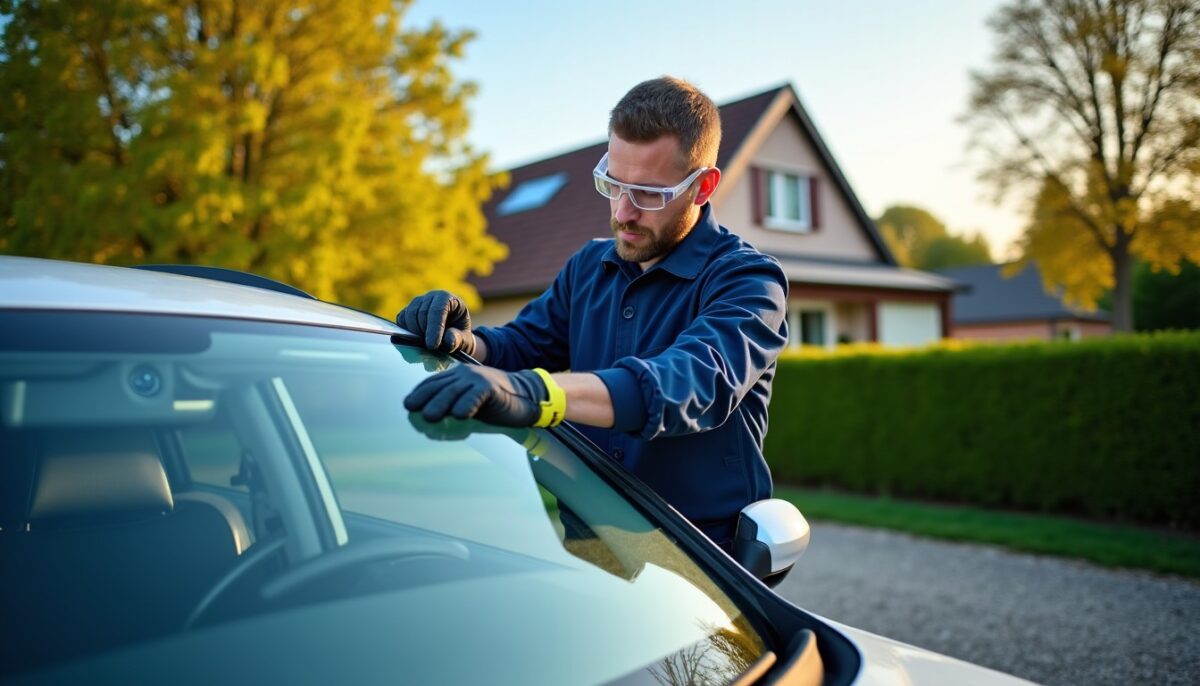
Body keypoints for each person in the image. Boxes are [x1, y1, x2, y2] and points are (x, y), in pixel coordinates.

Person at [398, 76, 788, 552]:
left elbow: (686, 384)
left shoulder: (749, 282)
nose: (622, 213)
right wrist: (463, 342)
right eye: (613, 184)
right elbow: (520, 346)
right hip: (588, 549)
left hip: (701, 565)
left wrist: (541, 393)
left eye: (648, 194)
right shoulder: (589, 266)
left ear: (703, 186)